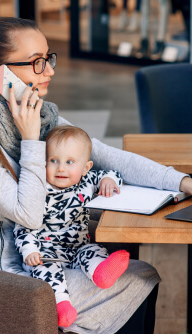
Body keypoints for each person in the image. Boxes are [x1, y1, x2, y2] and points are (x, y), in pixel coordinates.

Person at [0, 17, 192, 333]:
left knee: (136, 275)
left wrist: (186, 183)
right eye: (37, 63)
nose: (50, 70)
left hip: (43, 259)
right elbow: (29, 214)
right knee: (139, 278)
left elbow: (105, 154)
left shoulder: (38, 114)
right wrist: (31, 140)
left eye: (48, 58)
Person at [15, 125, 129, 327]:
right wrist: (29, 251)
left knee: (92, 250)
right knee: (46, 272)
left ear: (86, 167)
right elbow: (23, 226)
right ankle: (61, 305)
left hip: (77, 248)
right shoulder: (39, 190)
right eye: (53, 161)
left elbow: (113, 173)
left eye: (69, 162)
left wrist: (109, 180)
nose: (61, 168)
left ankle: (101, 272)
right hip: (44, 253)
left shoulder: (86, 181)